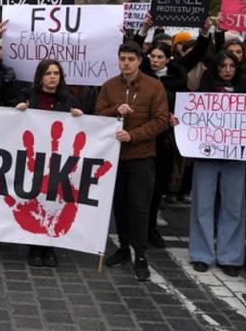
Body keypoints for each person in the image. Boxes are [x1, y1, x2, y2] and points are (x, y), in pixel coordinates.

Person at [95, 41, 168, 282]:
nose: (126, 63)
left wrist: (133, 135)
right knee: (120, 206)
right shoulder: (109, 86)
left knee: (138, 207)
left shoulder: (154, 87)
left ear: (139, 60)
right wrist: (117, 109)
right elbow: (98, 114)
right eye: (122, 59)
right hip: (115, 157)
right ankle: (124, 248)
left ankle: (140, 255)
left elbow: (160, 121)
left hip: (141, 156)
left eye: (130, 59)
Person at [15, 60, 83, 267]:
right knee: (36, 199)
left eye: (56, 73)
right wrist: (18, 110)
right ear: (40, 77)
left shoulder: (68, 100)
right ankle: (35, 246)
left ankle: (49, 247)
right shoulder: (27, 97)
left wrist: (77, 117)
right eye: (48, 73)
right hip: (34, 159)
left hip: (55, 161)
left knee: (53, 199)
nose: (52, 77)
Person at [188, 51, 246, 276]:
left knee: (234, 208)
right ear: (216, 68)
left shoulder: (243, 89)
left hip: (236, 158)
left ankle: (230, 256)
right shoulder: (204, 91)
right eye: (223, 66)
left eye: (232, 65)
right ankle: (201, 254)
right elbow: (191, 116)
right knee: (202, 206)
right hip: (207, 157)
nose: (228, 70)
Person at [139, 43, 187, 249]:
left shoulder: (178, 83)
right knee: (142, 187)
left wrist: (178, 117)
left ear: (168, 59)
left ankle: (151, 227)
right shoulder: (143, 78)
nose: (155, 60)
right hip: (144, 138)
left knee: (158, 187)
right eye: (152, 55)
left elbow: (186, 108)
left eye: (160, 56)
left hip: (165, 141)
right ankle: (139, 229)